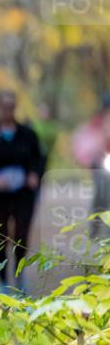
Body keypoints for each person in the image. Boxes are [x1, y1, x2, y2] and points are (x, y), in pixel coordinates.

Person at [0, 90, 44, 293]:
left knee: (21, 236)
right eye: (4, 106)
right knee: (0, 236)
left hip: (24, 194)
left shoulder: (27, 133)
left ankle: (20, 278)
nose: (8, 110)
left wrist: (34, 174)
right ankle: (2, 282)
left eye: (11, 106)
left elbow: (40, 158)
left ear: (15, 107)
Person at [71, 92, 110, 239]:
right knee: (100, 195)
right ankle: (95, 226)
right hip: (100, 162)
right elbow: (87, 140)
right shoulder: (96, 123)